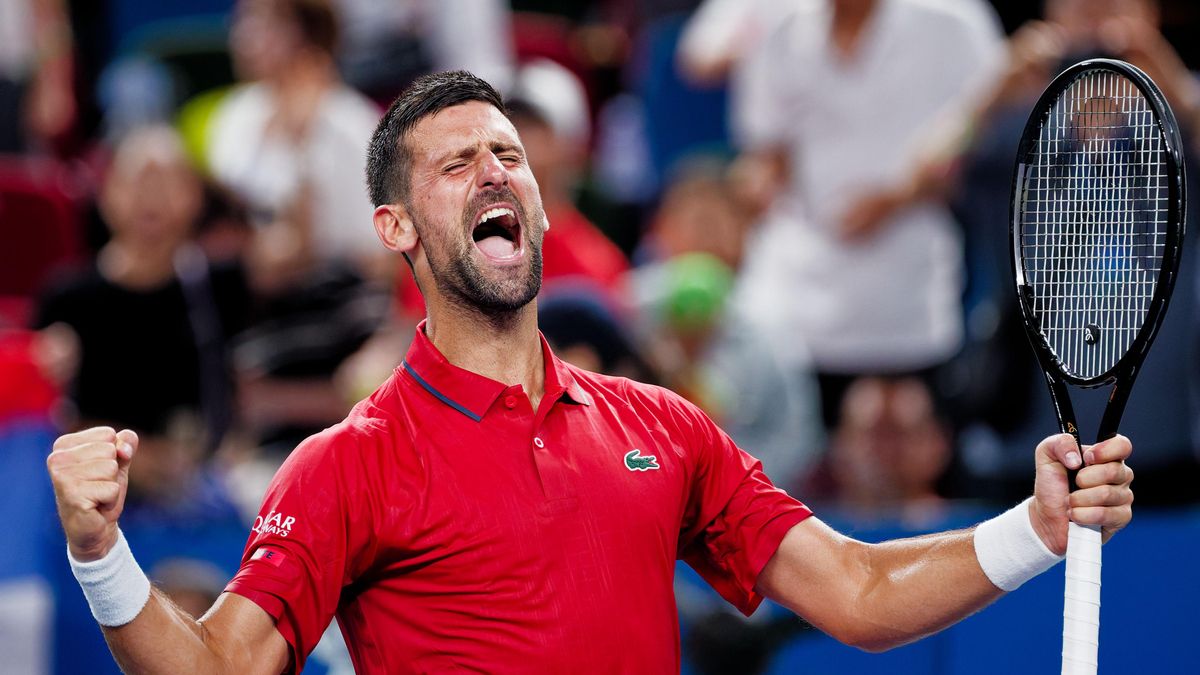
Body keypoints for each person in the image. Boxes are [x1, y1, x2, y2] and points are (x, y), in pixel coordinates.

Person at [46, 71, 1136, 674]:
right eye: (457, 161)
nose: (496, 171)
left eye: (510, 153)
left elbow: (855, 591)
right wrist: (101, 554)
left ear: (542, 200)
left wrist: (1035, 530)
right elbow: (221, 673)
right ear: (395, 227)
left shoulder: (665, 425)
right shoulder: (347, 466)